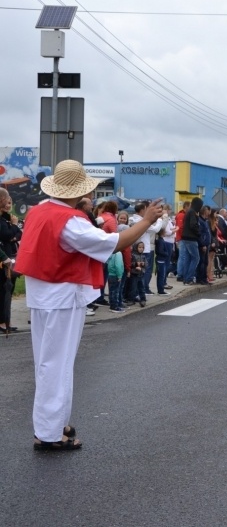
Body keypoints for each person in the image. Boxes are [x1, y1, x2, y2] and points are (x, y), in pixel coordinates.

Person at [14, 159, 163, 450]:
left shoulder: (39, 210)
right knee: (56, 365)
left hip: (43, 294)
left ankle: (54, 423)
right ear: (78, 190)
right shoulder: (70, 221)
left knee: (50, 362)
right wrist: (146, 221)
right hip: (62, 295)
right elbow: (114, 243)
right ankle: (49, 432)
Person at [0, 187, 22, 332]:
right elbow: (6, 235)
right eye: (7, 201)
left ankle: (6, 319)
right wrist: (13, 227)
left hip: (10, 258)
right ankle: (2, 321)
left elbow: (18, 234)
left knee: (8, 289)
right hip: (3, 260)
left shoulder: (7, 217)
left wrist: (12, 234)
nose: (9, 205)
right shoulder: (6, 220)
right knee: (3, 290)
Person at [129, 201, 163, 294]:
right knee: (145, 271)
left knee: (140, 271)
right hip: (143, 248)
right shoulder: (141, 221)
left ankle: (140, 290)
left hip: (139, 247)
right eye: (146, 209)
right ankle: (143, 289)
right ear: (142, 210)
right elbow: (155, 229)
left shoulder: (133, 219)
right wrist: (160, 220)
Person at [180, 197, 202, 285]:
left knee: (188, 259)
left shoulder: (188, 212)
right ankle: (189, 278)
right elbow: (193, 225)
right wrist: (199, 232)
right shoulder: (192, 212)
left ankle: (185, 278)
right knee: (196, 258)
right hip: (191, 238)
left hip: (185, 238)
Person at [173, 201, 190, 279]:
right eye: (190, 206)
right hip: (182, 238)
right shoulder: (181, 215)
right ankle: (180, 274)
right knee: (182, 256)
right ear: (186, 206)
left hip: (182, 237)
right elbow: (180, 227)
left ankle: (181, 273)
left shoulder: (183, 214)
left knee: (183, 256)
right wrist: (185, 235)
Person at [130, 241, 148, 306]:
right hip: (134, 274)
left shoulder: (143, 256)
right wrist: (136, 265)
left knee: (142, 288)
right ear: (136, 248)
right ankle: (131, 299)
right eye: (139, 247)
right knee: (133, 288)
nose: (141, 249)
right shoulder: (133, 255)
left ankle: (143, 299)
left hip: (141, 274)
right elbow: (130, 264)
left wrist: (143, 264)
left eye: (142, 247)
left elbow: (146, 264)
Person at [154, 228, 171, 295]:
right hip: (161, 260)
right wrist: (166, 253)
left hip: (161, 259)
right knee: (161, 276)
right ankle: (161, 290)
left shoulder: (160, 240)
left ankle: (160, 289)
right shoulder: (161, 241)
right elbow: (160, 251)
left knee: (161, 275)